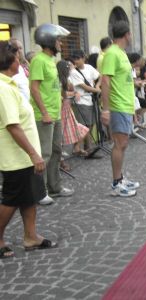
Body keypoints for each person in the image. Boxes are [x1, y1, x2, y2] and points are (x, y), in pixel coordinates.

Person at [0, 41, 57, 259]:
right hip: (15, 157)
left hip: (24, 156)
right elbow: (12, 126)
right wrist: (33, 153)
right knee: (11, 199)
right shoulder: (3, 88)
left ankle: (30, 236)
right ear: (8, 60)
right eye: (17, 56)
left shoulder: (10, 84)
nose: (20, 59)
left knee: (28, 198)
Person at [29, 24, 74, 205]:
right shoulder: (38, 60)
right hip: (44, 116)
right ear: (49, 41)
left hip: (54, 115)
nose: (60, 44)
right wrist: (45, 112)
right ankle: (41, 191)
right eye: (58, 40)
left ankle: (55, 186)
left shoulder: (50, 61)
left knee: (56, 151)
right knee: (45, 154)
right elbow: (34, 88)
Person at [100, 21, 140, 197]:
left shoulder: (121, 53)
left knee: (123, 144)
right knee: (119, 144)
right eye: (130, 34)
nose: (131, 37)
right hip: (117, 105)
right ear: (127, 34)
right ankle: (116, 183)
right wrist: (106, 109)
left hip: (125, 105)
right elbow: (105, 81)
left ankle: (120, 177)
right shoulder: (111, 53)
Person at [69, 49, 101, 155]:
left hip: (90, 100)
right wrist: (97, 90)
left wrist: (97, 85)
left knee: (90, 124)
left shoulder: (89, 67)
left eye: (78, 59)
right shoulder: (73, 72)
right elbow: (84, 86)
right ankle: (80, 147)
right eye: (74, 59)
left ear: (83, 58)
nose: (76, 61)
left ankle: (85, 147)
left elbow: (99, 76)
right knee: (83, 125)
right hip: (81, 100)